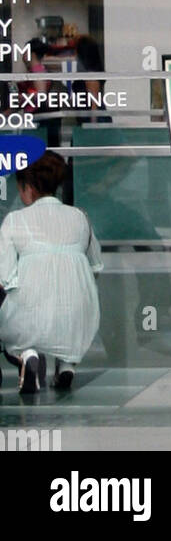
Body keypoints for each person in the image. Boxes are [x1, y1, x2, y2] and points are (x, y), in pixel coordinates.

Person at [0, 151, 101, 393]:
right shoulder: (80, 217)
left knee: (16, 332)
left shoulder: (15, 220)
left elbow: (3, 276)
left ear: (29, 188)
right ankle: (66, 365)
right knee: (68, 322)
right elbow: (96, 265)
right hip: (79, 315)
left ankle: (27, 354)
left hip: (29, 314)